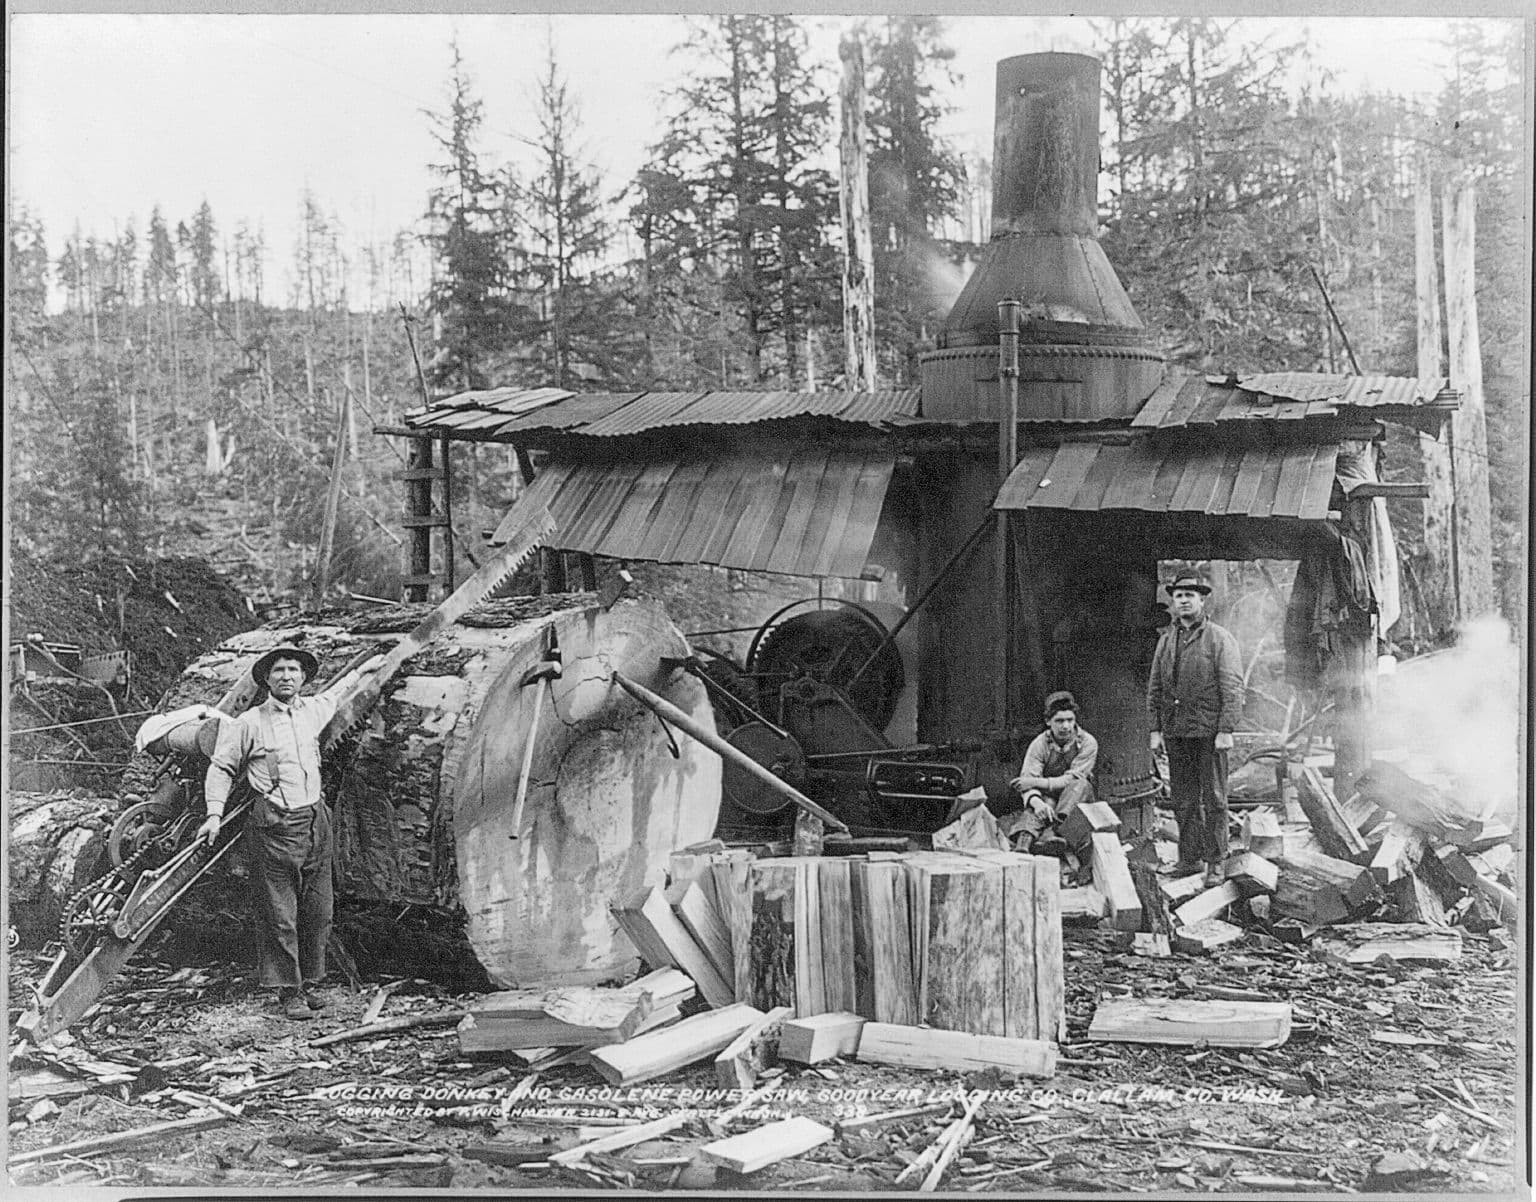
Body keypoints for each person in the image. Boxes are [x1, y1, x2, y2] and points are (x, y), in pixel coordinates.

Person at [200, 646, 361, 1020]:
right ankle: (289, 992)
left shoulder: (315, 710)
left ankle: (312, 982)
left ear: (303, 678)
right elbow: (221, 767)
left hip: (315, 821)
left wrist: (386, 656)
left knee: (318, 910)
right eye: (278, 671)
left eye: (293, 670)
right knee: (279, 914)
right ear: (266, 679)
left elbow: (348, 685)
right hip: (274, 823)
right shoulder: (249, 723)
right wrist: (213, 814)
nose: (287, 676)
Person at [1147, 574, 1245, 887]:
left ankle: (1216, 862)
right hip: (1177, 731)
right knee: (1183, 799)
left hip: (1209, 733)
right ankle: (1189, 858)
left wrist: (1226, 728)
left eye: (1190, 595)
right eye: (1178, 596)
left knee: (1214, 798)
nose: (1184, 600)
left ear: (1202, 600)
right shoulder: (1167, 639)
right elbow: (1156, 686)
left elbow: (1232, 686)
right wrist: (1155, 729)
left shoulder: (1219, 638)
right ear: (1173, 602)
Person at [1009, 690, 1099, 855]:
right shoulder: (1040, 744)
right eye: (1059, 721)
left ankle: (1054, 832)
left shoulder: (1087, 743)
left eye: (1069, 720)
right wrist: (1037, 803)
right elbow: (1027, 778)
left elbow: (1070, 780)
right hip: (1049, 796)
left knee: (1080, 784)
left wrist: (1035, 783)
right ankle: (1024, 841)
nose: (1065, 726)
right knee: (1045, 804)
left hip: (1075, 799)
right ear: (1048, 721)